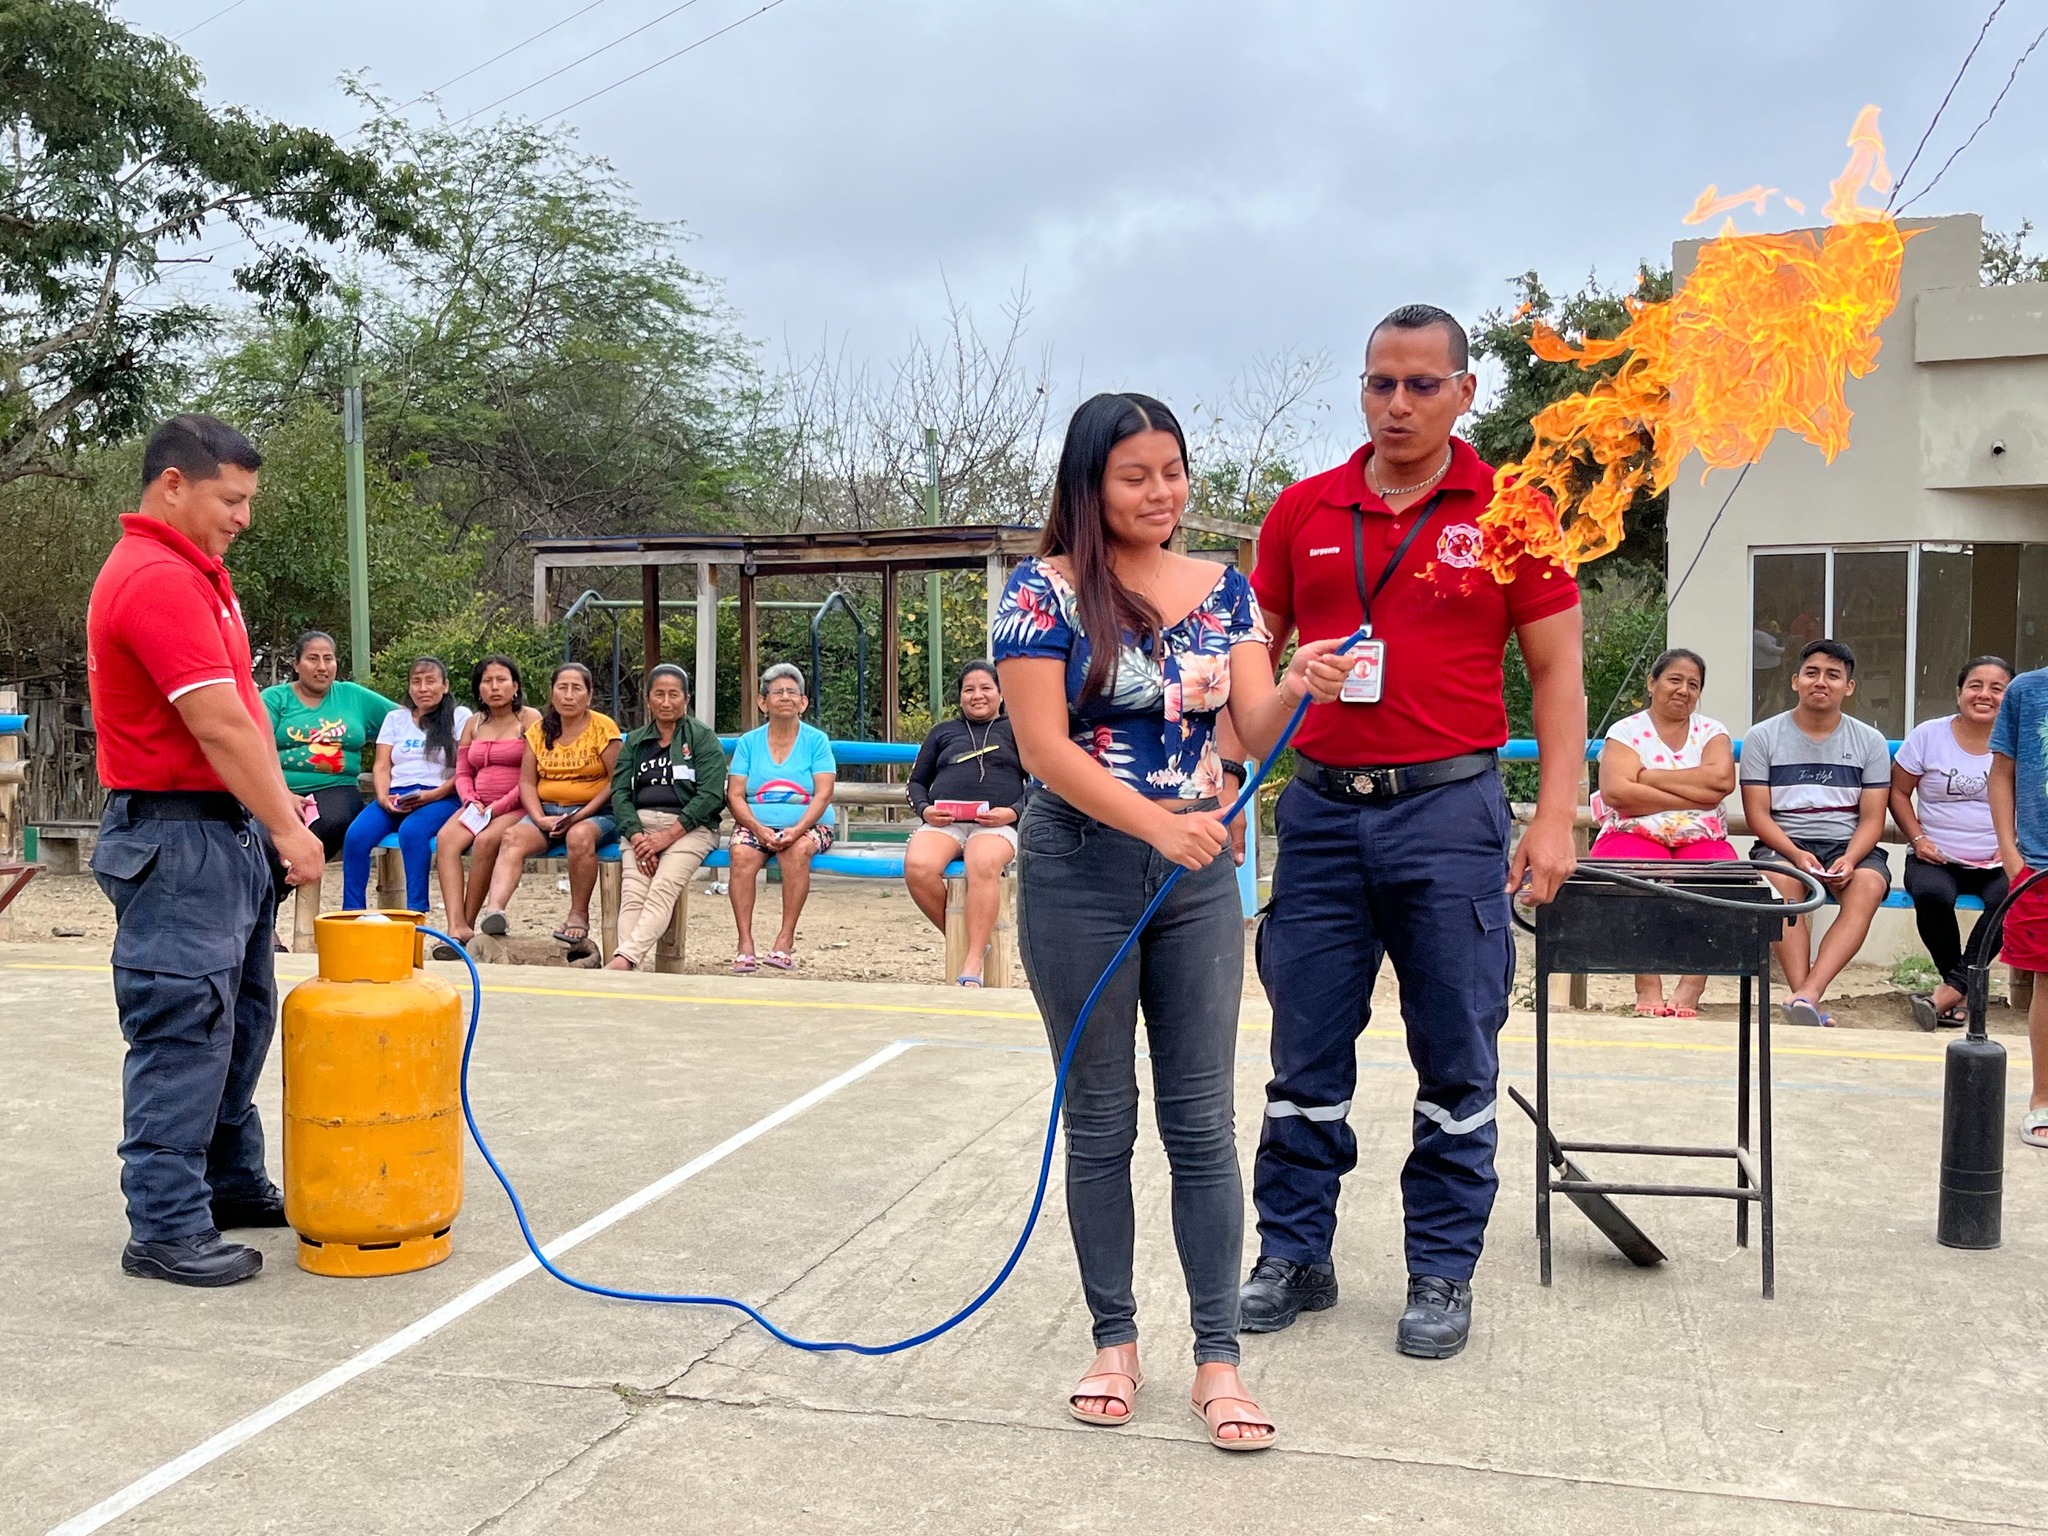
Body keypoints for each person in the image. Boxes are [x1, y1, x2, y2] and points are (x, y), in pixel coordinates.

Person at [995, 391, 1355, 1453]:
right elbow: (1042, 749)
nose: (1161, 493)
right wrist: (1160, 824)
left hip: (1195, 875)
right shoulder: (1042, 591)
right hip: (1077, 865)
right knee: (1099, 1118)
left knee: (1200, 1121)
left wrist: (1300, 682)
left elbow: (1248, 726)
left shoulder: (1225, 589)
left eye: (1172, 471)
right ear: (1089, 485)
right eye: (1134, 476)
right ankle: (1113, 1343)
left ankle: (1217, 1359)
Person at [1237, 305, 1584, 1359]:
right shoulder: (1302, 509)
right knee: (1302, 1050)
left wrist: (1555, 815)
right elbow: (1248, 651)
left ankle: (1441, 1268)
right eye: (1379, 383)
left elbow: (1556, 674)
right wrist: (1238, 727)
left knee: (1456, 1052)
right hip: (1320, 813)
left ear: (1463, 392)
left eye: (1421, 385)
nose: (1397, 404)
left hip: (1448, 812)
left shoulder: (1514, 511)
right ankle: (1292, 1252)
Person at [85, 413, 325, 1287]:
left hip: (219, 830)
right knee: (184, 1026)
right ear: (174, 484)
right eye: (232, 499)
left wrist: (274, 808)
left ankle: (226, 1181)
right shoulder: (154, 578)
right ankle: (165, 1224)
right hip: (175, 836)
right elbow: (216, 724)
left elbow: (246, 716)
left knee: (241, 1018)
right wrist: (290, 830)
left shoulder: (197, 573)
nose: (243, 517)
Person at [1741, 639, 1894, 1029]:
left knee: (1868, 886)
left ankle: (1809, 992)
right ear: (1795, 681)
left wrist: (1851, 858)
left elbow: (1872, 819)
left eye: (1833, 675)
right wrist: (1795, 854)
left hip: (1848, 845)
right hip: (1783, 843)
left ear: (1849, 687)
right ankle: (1804, 997)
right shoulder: (1763, 736)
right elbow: (1758, 815)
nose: (1821, 682)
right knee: (1781, 885)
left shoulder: (1870, 741)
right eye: (1811, 673)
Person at [1588, 648, 1739, 1017]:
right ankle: (1647, 982)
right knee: (1629, 876)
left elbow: (1722, 782)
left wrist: (1649, 777)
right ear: (1652, 683)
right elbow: (1617, 793)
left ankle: (1692, 984)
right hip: (1633, 830)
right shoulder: (1626, 731)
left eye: (1693, 684)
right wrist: (1695, 794)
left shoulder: (1712, 732)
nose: (1683, 690)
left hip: (1700, 835)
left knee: (1725, 880)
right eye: (1674, 680)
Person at [1893, 658, 2014, 1028]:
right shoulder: (1929, 735)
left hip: (1998, 858)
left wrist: (2011, 844)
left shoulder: (2019, 741)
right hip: (1935, 857)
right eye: (1975, 685)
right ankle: (1960, 988)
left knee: (2011, 897)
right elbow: (1898, 792)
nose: (1984, 695)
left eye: (1997, 688)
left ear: (2010, 698)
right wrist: (1918, 838)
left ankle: (1948, 993)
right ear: (1960, 692)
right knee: (1932, 894)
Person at [477, 661, 621, 953]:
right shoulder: (539, 730)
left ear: (589, 695)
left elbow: (615, 781)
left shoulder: (603, 727)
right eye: (562, 688)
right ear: (552, 693)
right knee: (512, 837)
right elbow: (527, 783)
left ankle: (578, 914)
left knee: (579, 837)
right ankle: (495, 911)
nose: (568, 695)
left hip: (595, 812)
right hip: (547, 812)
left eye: (576, 689)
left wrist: (579, 816)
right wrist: (539, 818)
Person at [903, 660, 1029, 986]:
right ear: (959, 696)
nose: (977, 695)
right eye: (969, 689)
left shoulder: (1018, 729)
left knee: (982, 861)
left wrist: (1013, 812)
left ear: (1001, 693)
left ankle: (972, 960)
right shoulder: (942, 732)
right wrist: (925, 811)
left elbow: (1041, 784)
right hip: (945, 823)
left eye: (986, 688)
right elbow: (915, 783)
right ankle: (967, 938)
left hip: (996, 825)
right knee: (918, 866)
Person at [605, 665, 728, 971]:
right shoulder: (635, 741)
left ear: (686, 699)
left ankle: (624, 961)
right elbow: (619, 792)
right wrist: (637, 836)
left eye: (674, 694)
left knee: (662, 888)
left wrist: (667, 837)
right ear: (648, 700)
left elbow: (711, 795)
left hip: (690, 829)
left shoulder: (702, 737)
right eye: (659, 694)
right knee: (633, 894)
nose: (666, 701)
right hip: (641, 829)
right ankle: (628, 968)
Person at [725, 664, 837, 974]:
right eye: (777, 692)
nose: (785, 697)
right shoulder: (749, 742)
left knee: (797, 851)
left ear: (803, 702)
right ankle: (745, 944)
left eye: (792, 692)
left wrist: (798, 829)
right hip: (755, 823)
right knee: (741, 853)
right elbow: (735, 794)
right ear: (763, 702)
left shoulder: (817, 740)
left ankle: (785, 941)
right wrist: (758, 828)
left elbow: (824, 793)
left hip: (809, 823)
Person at [430, 654, 543, 959]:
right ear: (478, 688)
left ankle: (467, 925)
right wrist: (471, 799)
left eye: (502, 680)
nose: (494, 687)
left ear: (515, 686)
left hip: (516, 804)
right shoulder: (474, 722)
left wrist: (498, 807)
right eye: (487, 681)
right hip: (478, 804)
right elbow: (463, 771)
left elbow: (532, 775)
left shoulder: (529, 719)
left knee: (487, 840)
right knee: (446, 839)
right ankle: (455, 926)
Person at [340, 657, 469, 913]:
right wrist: (382, 796)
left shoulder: (460, 716)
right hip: (397, 795)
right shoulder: (395, 718)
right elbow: (381, 765)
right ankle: (352, 913)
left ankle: (414, 911)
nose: (423, 688)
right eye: (416, 682)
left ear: (445, 686)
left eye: (431, 681)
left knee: (412, 831)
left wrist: (434, 795)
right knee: (356, 836)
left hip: (443, 796)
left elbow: (465, 769)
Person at [259, 630, 397, 858]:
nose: (322, 667)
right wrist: (283, 794)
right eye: (313, 659)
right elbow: (255, 746)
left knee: (331, 822)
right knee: (264, 835)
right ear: (296, 664)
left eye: (328, 659)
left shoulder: (353, 696)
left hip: (336, 788)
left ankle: (288, 874)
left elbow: (404, 721)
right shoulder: (275, 698)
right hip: (278, 788)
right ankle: (279, 877)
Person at [1989, 662, 2048, 1148]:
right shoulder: (2027, 691)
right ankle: (2043, 1099)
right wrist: (2012, 858)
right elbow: (2001, 774)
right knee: (2047, 981)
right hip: (2040, 865)